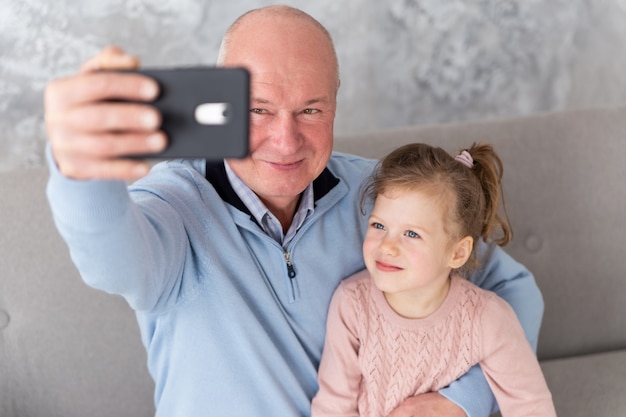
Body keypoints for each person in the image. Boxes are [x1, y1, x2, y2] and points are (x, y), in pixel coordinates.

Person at [44, 5, 544, 417]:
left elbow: (510, 289)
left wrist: (463, 400)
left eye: (310, 110)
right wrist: (78, 163)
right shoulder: (175, 204)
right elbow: (110, 257)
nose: (285, 142)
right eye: (259, 109)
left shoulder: (382, 199)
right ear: (221, 103)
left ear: (335, 104)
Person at [310, 143, 556, 417]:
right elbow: (334, 405)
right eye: (379, 226)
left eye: (412, 234)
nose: (387, 246)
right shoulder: (351, 304)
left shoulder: (488, 318)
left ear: (457, 252)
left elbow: (529, 405)